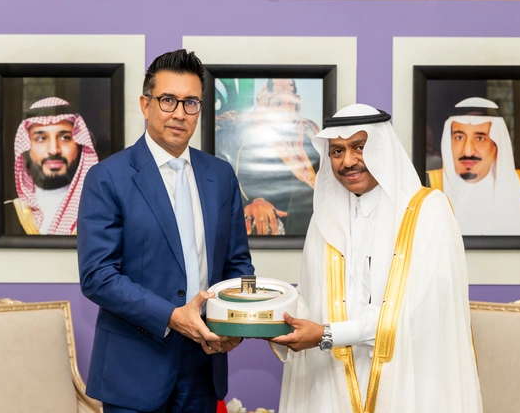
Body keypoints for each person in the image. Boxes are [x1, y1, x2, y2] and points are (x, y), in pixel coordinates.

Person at [271, 104, 482, 413]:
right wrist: (271, 322)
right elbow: (311, 299)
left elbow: (416, 310)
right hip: (333, 383)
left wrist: (327, 334)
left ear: (382, 149)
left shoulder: (428, 210)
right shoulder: (323, 220)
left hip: (406, 385)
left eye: (359, 147)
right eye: (337, 151)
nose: (348, 162)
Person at [77, 49, 254, 413]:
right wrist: (172, 316)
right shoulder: (108, 177)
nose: (179, 113)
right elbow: (98, 276)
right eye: (168, 100)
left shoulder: (221, 176)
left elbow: (238, 265)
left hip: (205, 364)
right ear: (146, 104)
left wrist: (236, 325)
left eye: (191, 103)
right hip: (134, 370)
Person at [216, 78, 320, 236]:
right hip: (281, 219)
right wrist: (257, 200)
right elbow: (240, 177)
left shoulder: (307, 139)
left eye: (291, 104)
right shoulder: (250, 138)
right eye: (278, 103)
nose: (286, 109)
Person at [427, 97, 520, 236]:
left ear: (497, 145)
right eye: (459, 137)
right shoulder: (428, 186)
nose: (468, 151)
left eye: (480, 138)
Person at [11, 96, 98, 235]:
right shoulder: (11, 211)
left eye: (65, 138)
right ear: (27, 147)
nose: (53, 150)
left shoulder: (100, 207)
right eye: (41, 138)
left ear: (79, 144)